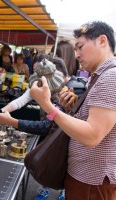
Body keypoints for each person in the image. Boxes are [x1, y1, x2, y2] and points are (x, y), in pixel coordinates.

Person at [29, 21, 116, 200]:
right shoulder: (101, 76)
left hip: (92, 181)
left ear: (102, 41)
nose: (76, 55)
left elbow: (92, 136)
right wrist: (75, 110)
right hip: (87, 178)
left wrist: (48, 106)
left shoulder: (110, 77)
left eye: (80, 47)